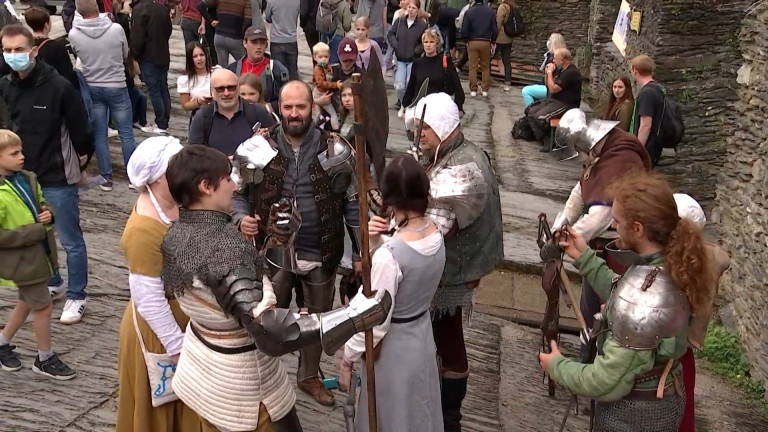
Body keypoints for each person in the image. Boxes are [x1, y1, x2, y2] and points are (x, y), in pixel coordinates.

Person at [161, 144, 390, 431]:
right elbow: (272, 332)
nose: (234, 186)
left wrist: (280, 241)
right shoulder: (223, 246)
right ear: (206, 186)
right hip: (242, 383)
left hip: (204, 361)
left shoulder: (176, 232)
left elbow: (231, 288)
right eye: (227, 179)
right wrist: (353, 316)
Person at [540, 171, 714, 432]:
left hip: (633, 417)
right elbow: (623, 291)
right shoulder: (670, 264)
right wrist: (584, 257)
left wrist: (558, 365)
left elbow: (605, 381)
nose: (612, 226)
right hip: (660, 404)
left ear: (638, 229)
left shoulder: (646, 300)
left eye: (618, 221)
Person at [231, 81, 362, 406]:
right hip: (270, 253)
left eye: (300, 107)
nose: (293, 113)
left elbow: (353, 204)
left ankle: (308, 376)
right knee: (263, 317)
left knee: (318, 319)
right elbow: (236, 194)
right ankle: (257, 379)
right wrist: (240, 218)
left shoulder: (337, 151)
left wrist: (361, 253)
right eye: (288, 107)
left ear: (311, 108)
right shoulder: (255, 148)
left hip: (321, 250)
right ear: (279, 107)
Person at [411, 92, 503, 432]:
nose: (419, 134)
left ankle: (450, 418)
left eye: (426, 128)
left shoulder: (464, 166)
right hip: (448, 265)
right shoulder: (450, 152)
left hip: (453, 269)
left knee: (449, 343)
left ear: (444, 127)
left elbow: (435, 230)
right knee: (439, 336)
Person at [339, 155, 445, 432]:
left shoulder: (391, 256)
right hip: (421, 338)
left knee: (393, 418)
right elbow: (407, 258)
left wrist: (349, 355)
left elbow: (375, 320)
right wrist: (376, 240)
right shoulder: (435, 233)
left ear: (391, 199)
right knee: (417, 414)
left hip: (394, 351)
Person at [0, 24, 93, 325]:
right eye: (7, 50)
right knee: (39, 234)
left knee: (71, 240)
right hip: (21, 177)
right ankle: (54, 280)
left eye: (19, 49)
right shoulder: (5, 85)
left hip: (56, 177)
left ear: (34, 49)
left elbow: (82, 134)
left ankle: (78, 295)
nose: (13, 55)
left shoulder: (59, 87)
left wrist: (80, 167)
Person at [544, 108, 651, 358]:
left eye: (579, 148)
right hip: (598, 248)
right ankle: (587, 359)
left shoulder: (621, 157)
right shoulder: (602, 154)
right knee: (590, 306)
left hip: (621, 251)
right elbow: (580, 192)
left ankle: (601, 365)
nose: (581, 154)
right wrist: (558, 227)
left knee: (609, 310)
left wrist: (563, 241)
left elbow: (602, 215)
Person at [115, 137, 204, 432]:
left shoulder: (176, 204)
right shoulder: (143, 229)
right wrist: (177, 347)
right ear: (157, 178)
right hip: (161, 330)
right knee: (163, 408)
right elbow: (148, 298)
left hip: (187, 315)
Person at [0, 130, 77, 379]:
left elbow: (41, 202)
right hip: (22, 259)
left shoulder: (28, 178)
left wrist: (48, 212)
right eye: (14, 154)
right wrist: (34, 230)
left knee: (27, 300)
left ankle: (1, 342)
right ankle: (45, 357)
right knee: (42, 306)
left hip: (41, 253)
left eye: (21, 151)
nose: (22, 157)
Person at [671, 193, 730, 432]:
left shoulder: (690, 262)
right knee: (683, 407)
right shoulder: (706, 255)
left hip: (672, 347)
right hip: (681, 349)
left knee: (677, 405)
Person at [69, 0, 136, 192]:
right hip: (116, 84)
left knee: (100, 134)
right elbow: (125, 54)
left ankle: (106, 177)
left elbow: (78, 56)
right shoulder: (115, 29)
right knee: (126, 133)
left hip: (93, 85)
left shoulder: (74, 34)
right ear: (97, 7)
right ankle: (133, 176)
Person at [188, 68, 274, 155]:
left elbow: (276, 150)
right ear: (212, 90)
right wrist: (224, 162)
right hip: (215, 168)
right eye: (220, 89)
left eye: (231, 87)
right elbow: (194, 157)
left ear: (238, 88)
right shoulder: (202, 117)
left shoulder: (258, 112)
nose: (226, 93)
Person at [130, 0, 173, 134]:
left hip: (149, 56)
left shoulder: (140, 9)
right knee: (163, 88)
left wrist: (135, 54)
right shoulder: (161, 8)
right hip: (163, 54)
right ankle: (164, 122)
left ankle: (161, 123)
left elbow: (138, 35)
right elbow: (169, 30)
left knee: (154, 90)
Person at [402, 28, 464, 115]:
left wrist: (459, 106)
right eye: (426, 42)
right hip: (421, 108)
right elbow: (411, 86)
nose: (428, 45)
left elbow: (456, 84)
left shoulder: (445, 62)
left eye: (431, 42)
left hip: (441, 108)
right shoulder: (418, 63)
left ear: (437, 44)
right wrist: (406, 107)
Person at [226, 25, 290, 104]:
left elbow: (286, 100)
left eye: (262, 43)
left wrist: (269, 107)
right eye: (254, 42)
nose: (259, 47)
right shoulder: (233, 69)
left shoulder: (277, 69)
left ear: (266, 45)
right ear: (245, 43)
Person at [387, 0, 427, 116]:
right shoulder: (400, 21)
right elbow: (391, 34)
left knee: (410, 83)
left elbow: (423, 41)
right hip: (400, 59)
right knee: (399, 85)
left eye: (414, 8)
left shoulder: (422, 25)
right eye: (409, 7)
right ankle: (403, 103)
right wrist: (396, 44)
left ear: (418, 10)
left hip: (413, 60)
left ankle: (409, 106)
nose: (411, 10)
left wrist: (417, 51)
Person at [24, 7, 78, 88]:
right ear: (46, 25)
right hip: (55, 89)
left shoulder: (26, 45)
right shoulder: (56, 47)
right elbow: (67, 74)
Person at [630, 54, 665, 166]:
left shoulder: (647, 93)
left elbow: (646, 125)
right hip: (654, 146)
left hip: (647, 149)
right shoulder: (659, 88)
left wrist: (638, 150)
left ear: (635, 71)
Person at [461, 0, 496, 97]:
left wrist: (466, 40)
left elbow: (464, 29)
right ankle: (485, 90)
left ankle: (473, 90)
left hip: (472, 41)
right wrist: (492, 41)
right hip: (486, 42)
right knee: (485, 66)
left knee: (473, 67)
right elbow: (495, 29)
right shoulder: (490, 12)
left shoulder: (469, 12)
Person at [521, 32, 566, 107]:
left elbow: (551, 78)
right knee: (533, 88)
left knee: (526, 91)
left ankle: (530, 112)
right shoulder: (562, 56)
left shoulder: (553, 58)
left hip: (553, 89)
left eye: (550, 40)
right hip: (557, 87)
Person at [177, 41, 217, 121]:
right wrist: (198, 102)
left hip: (217, 115)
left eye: (201, 55)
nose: (199, 59)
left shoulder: (217, 72)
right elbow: (185, 105)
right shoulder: (185, 79)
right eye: (195, 56)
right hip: (199, 117)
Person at [265, 0, 300, 81]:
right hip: (292, 39)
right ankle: (294, 90)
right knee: (293, 71)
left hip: (276, 40)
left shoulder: (271, 1)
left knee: (278, 72)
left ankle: (279, 92)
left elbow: (268, 18)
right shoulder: (297, 1)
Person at [311, 42, 343, 130]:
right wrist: (335, 85)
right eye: (320, 57)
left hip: (323, 93)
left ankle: (321, 124)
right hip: (320, 93)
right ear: (315, 57)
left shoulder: (325, 67)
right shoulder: (318, 69)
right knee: (333, 114)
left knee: (324, 113)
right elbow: (321, 83)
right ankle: (336, 130)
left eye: (326, 57)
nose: (323, 60)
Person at [180, 0, 215, 65]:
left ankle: (191, 71)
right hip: (197, 20)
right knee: (209, 50)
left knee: (190, 50)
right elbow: (203, 6)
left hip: (185, 19)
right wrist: (203, 24)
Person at [318, 0, 352, 65]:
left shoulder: (323, 1)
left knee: (323, 59)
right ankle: (334, 73)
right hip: (338, 34)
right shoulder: (343, 4)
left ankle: (323, 72)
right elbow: (347, 25)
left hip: (324, 33)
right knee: (335, 61)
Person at [494, 0, 515, 92]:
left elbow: (499, 22)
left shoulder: (503, 7)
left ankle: (487, 78)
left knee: (489, 57)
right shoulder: (513, 6)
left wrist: (494, 34)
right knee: (506, 60)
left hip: (500, 37)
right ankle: (508, 80)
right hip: (509, 38)